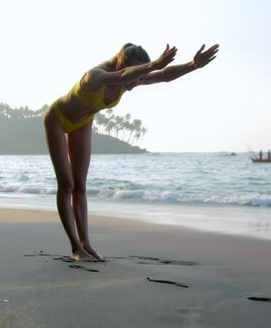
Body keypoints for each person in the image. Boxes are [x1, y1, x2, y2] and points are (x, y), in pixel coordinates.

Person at [44, 43, 219, 261]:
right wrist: (152, 64)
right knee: (67, 184)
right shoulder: (95, 76)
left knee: (80, 185)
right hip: (58, 119)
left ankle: (85, 244)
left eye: (141, 76)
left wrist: (194, 64)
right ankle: (74, 248)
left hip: (83, 122)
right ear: (122, 64)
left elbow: (163, 75)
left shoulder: (131, 78)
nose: (138, 82)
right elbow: (124, 76)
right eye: (137, 74)